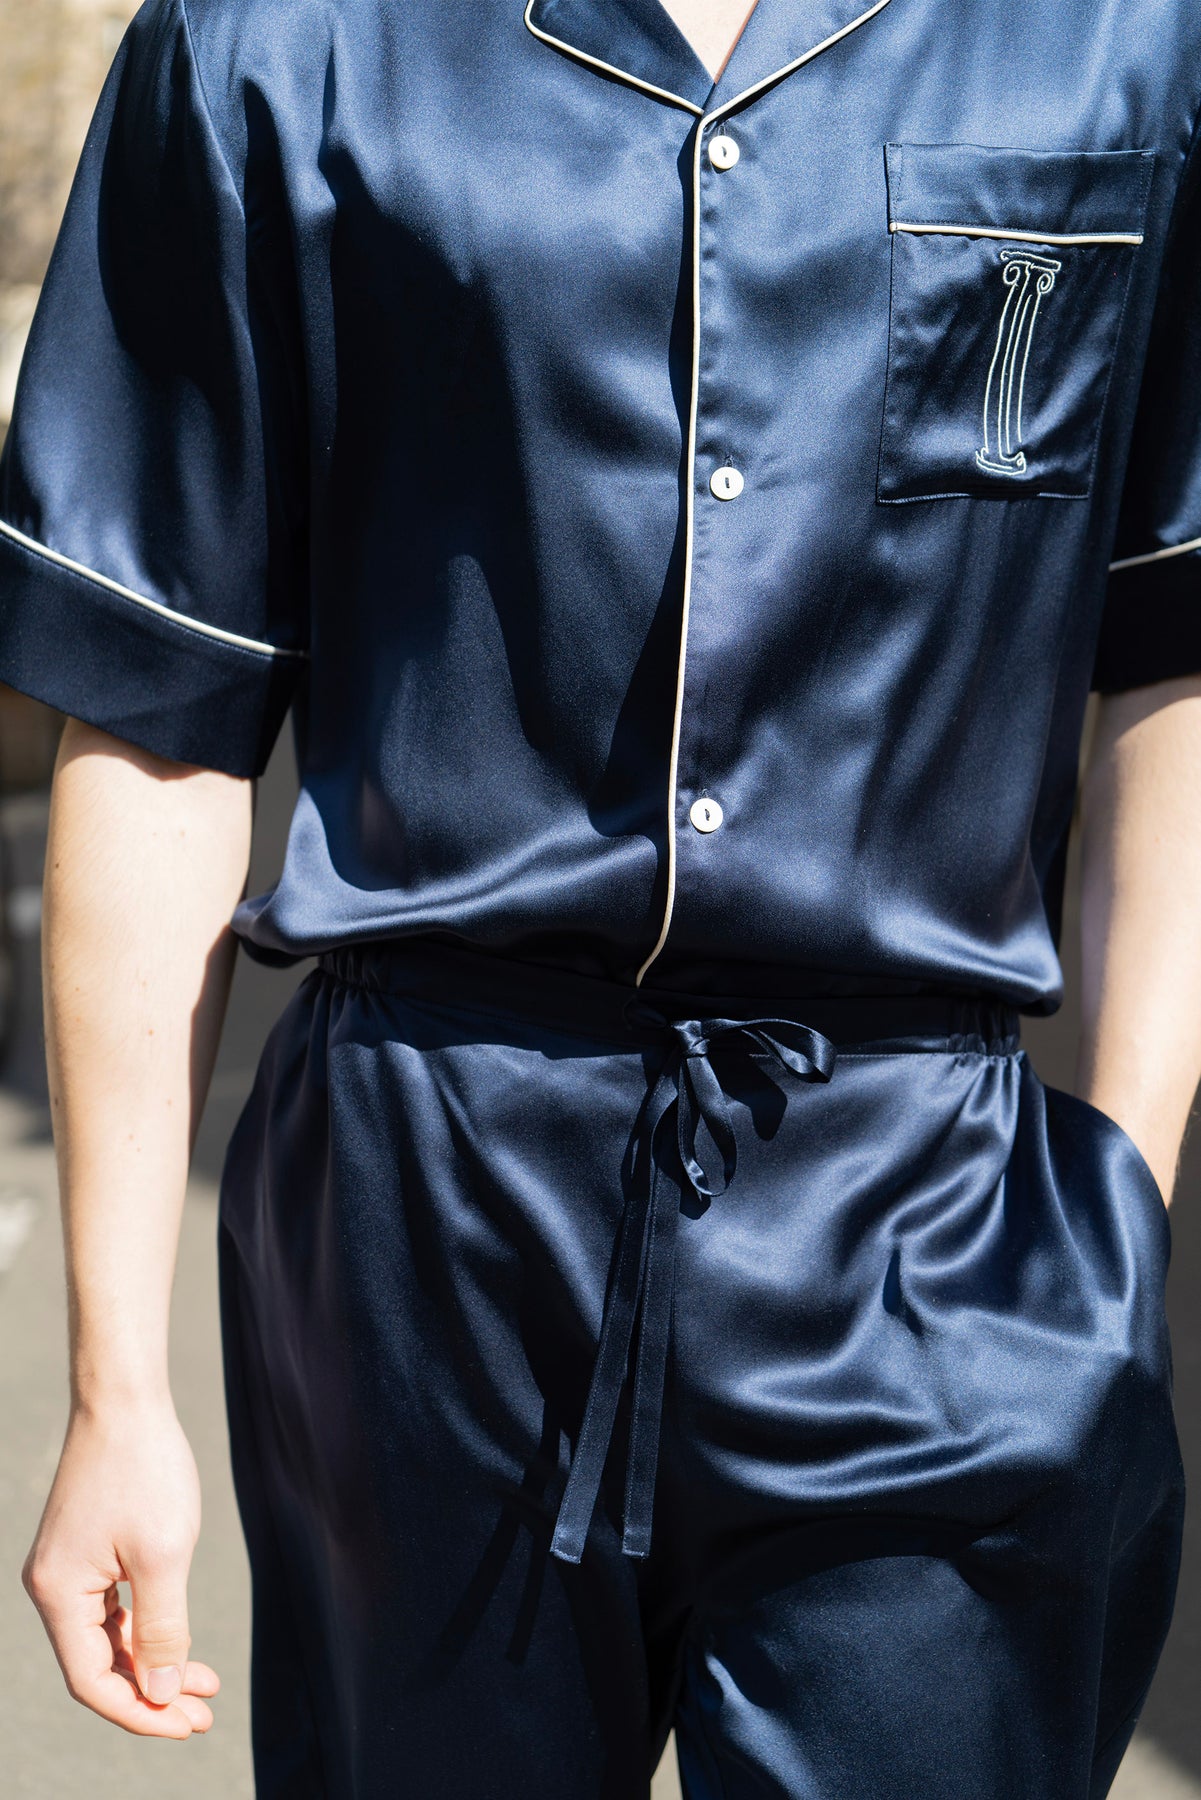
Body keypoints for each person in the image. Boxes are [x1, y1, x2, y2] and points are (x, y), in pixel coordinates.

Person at [2, 0, 1200, 1792]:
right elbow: (161, 706)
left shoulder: (1124, 35)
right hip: (425, 1213)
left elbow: (1173, 648)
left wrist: (1114, 1205)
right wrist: (116, 1388)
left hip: (932, 1218)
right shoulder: (271, 40)